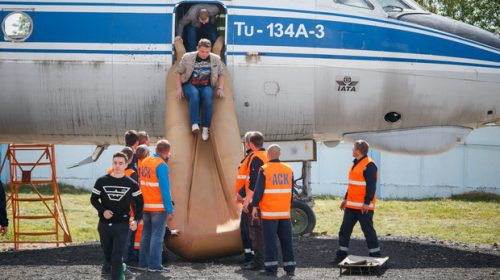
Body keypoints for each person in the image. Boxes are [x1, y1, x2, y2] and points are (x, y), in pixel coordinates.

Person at [91, 152, 144, 280]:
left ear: (126, 165)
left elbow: (140, 202)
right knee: (109, 257)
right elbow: (93, 199)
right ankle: (122, 267)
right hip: (104, 225)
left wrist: (136, 220)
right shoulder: (102, 181)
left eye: (121, 163)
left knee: (116, 257)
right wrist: (103, 211)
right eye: (115, 163)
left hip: (123, 225)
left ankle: (118, 271)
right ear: (112, 163)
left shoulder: (131, 183)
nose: (117, 166)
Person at [333, 140, 381, 264]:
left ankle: (375, 255)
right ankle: (341, 256)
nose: (352, 151)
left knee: (368, 232)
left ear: (358, 151)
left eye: (353, 149)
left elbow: (371, 186)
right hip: (351, 206)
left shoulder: (369, 165)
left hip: (363, 207)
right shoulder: (355, 163)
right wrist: (345, 199)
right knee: (344, 230)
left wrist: (366, 202)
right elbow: (353, 185)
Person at [252, 144, 296, 277]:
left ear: (268, 155)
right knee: (287, 241)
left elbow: (258, 190)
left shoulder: (264, 169)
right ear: (279, 154)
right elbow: (291, 191)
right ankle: (290, 268)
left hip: (269, 214)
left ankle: (271, 269)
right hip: (284, 213)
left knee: (270, 242)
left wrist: (255, 206)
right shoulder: (289, 169)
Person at [174, 38, 225, 141]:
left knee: (207, 96)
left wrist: (220, 88)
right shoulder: (188, 57)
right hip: (190, 84)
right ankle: (195, 124)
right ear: (197, 48)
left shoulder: (215, 58)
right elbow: (177, 72)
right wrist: (179, 88)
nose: (204, 54)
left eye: (207, 52)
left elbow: (221, 74)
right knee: (194, 94)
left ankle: (206, 127)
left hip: (206, 85)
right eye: (202, 51)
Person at [138, 140, 174, 272]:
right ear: (166, 152)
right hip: (158, 208)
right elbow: (165, 190)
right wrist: (169, 209)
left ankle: (143, 264)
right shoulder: (162, 165)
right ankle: (154, 265)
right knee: (157, 237)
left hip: (145, 206)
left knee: (145, 235)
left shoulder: (145, 161)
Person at [241, 132, 268, 270]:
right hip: (265, 201)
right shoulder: (266, 156)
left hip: (255, 201)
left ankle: (258, 263)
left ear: (251, 144)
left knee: (256, 233)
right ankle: (264, 261)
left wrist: (247, 201)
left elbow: (253, 183)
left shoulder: (256, 158)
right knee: (261, 232)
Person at [235, 131, 255, 265]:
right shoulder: (250, 158)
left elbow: (251, 180)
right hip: (248, 199)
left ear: (248, 144)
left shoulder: (253, 158)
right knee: (246, 230)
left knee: (250, 231)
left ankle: (252, 258)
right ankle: (249, 257)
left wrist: (243, 195)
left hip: (250, 200)